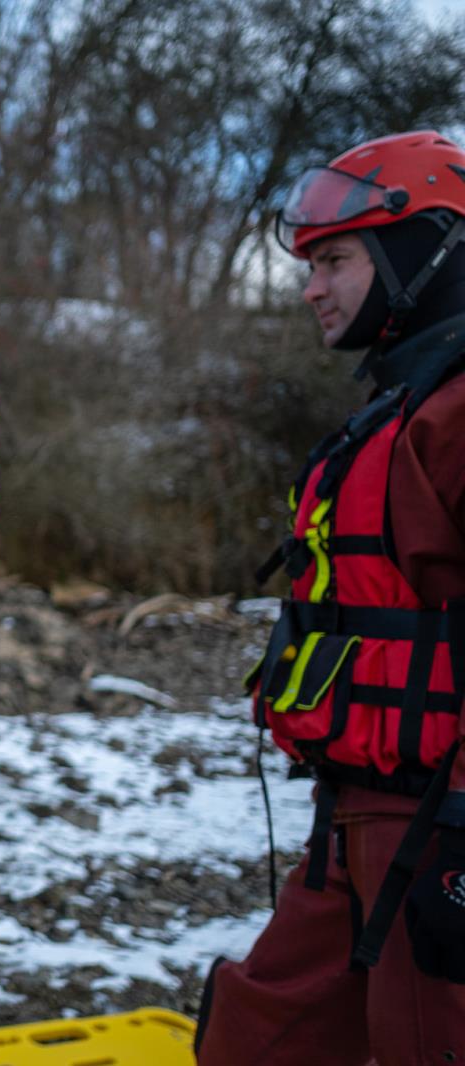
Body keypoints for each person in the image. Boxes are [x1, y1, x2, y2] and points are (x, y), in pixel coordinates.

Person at [196, 130, 465, 1064]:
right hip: (355, 814)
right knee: (256, 1037)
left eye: (336, 260)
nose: (313, 286)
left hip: (441, 826)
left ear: (424, 250)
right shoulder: (403, 406)